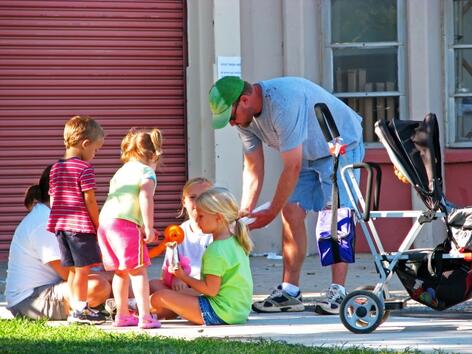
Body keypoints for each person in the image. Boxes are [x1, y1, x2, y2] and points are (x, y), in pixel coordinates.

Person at [208, 76, 364, 315]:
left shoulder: (282, 103)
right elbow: (252, 167)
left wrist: (270, 212)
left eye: (230, 117)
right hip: (305, 154)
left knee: (334, 215)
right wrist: (246, 211)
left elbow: (292, 168)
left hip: (340, 147)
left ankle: (338, 291)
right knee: (290, 211)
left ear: (245, 100)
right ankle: (290, 292)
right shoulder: (244, 122)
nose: (231, 124)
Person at [5, 166, 111, 320]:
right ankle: (89, 308)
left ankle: (113, 306)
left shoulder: (57, 218)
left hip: (53, 288)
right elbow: (68, 274)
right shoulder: (43, 221)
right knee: (98, 286)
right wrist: (107, 276)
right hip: (28, 300)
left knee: (112, 281)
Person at [150, 187, 253, 325]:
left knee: (161, 297)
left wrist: (182, 276)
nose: (197, 220)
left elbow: (210, 290)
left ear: (218, 217)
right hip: (237, 311)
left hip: (219, 312)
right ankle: (146, 313)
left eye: (201, 216)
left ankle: (135, 310)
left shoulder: (216, 250)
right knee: (178, 297)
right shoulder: (235, 241)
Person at [97, 128, 162, 329]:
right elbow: (145, 196)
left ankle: (122, 315)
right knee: (139, 271)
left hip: (106, 223)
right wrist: (149, 227)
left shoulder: (121, 171)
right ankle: (145, 316)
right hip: (124, 225)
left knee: (121, 272)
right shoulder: (146, 171)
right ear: (153, 154)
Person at [47, 115, 107, 324]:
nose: (95, 154)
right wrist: (98, 223)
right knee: (83, 270)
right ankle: (81, 308)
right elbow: (89, 199)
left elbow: (53, 198)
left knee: (72, 271)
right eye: (96, 149)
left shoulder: (55, 168)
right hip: (79, 227)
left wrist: (56, 224)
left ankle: (75, 307)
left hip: (61, 227)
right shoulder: (84, 168)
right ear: (85, 143)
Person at [149, 177, 213, 317]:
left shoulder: (217, 232)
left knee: (164, 297)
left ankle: (139, 309)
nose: (198, 202)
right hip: (181, 286)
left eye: (204, 197)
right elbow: (169, 268)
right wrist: (176, 277)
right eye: (193, 197)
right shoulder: (177, 233)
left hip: (205, 287)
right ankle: (154, 309)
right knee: (153, 284)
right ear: (183, 201)